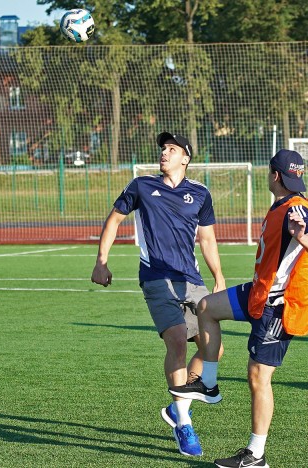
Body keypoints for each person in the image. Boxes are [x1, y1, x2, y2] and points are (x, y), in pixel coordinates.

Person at [169, 149, 308, 468]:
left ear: (274, 175)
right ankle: (208, 384)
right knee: (206, 307)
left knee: (258, 377)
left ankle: (255, 455)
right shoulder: (282, 204)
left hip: (280, 306)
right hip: (260, 292)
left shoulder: (296, 208)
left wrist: (302, 236)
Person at [90, 131, 225, 457]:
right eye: (163, 148)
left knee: (214, 353)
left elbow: (206, 240)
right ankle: (183, 423)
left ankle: (179, 405)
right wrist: (101, 262)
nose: (164, 153)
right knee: (178, 339)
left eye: (172, 149)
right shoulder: (141, 186)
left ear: (185, 158)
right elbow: (114, 220)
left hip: (191, 280)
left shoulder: (200, 193)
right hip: (155, 279)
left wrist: (219, 277)